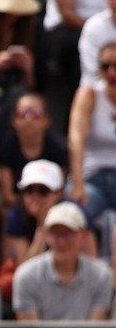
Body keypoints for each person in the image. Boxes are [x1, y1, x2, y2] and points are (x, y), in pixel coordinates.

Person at [11, 202, 113, 321]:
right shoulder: (26, 276)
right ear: (46, 236)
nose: (61, 241)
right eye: (55, 234)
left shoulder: (101, 276)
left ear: (84, 235)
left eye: (68, 234)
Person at [0, 92, 68, 218]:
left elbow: (59, 191)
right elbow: (8, 195)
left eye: (36, 114)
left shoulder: (58, 149)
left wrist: (41, 206)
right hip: (18, 204)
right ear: (13, 120)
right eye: (22, 114)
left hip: (51, 205)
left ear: (47, 120)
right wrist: (30, 204)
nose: (29, 119)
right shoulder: (6, 147)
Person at [70, 40, 116, 233]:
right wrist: (78, 184)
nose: (112, 73)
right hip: (92, 176)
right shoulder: (89, 94)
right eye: (105, 67)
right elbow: (76, 139)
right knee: (74, 217)